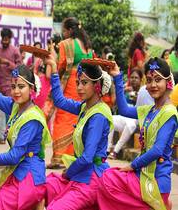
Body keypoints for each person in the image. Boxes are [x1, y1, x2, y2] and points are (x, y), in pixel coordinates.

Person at [0, 51, 51, 210]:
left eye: (21, 86)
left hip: (28, 176)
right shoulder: (16, 106)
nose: (16, 91)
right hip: (16, 167)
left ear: (31, 88)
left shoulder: (32, 118)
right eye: (13, 87)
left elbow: (14, 157)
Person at [98, 57, 177, 210]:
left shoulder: (169, 113)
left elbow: (158, 150)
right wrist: (117, 77)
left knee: (108, 180)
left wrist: (132, 166)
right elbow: (124, 109)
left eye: (158, 80)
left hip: (155, 179)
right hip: (142, 173)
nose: (153, 85)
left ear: (168, 82)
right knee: (107, 176)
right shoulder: (150, 110)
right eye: (149, 80)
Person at [43, 56, 113, 209]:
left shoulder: (98, 115)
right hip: (82, 171)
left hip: (92, 176)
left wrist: (68, 173)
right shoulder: (85, 107)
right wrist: (54, 70)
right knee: (40, 188)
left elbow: (87, 157)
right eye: (77, 83)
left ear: (97, 86)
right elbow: (60, 101)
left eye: (84, 83)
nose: (79, 87)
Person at [49, 17, 93, 169]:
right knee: (78, 120)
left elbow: (60, 66)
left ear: (69, 30)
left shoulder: (66, 44)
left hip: (71, 86)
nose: (63, 34)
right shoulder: (88, 47)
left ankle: (59, 158)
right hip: (86, 88)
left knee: (62, 118)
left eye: (64, 31)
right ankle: (73, 156)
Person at [0, 28, 22, 144]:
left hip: (11, 86)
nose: (5, 41)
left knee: (12, 111)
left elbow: (19, 68)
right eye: (3, 39)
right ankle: (1, 136)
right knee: (0, 111)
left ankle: (13, 136)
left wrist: (7, 63)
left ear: (10, 39)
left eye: (7, 40)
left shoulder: (15, 51)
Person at [107, 69, 144, 159]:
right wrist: (122, 91)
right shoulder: (123, 87)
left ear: (141, 80)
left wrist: (136, 98)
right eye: (132, 77)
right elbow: (114, 102)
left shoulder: (144, 91)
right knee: (109, 119)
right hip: (123, 116)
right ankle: (107, 149)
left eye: (136, 78)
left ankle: (115, 151)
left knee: (130, 125)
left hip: (135, 119)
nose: (134, 80)